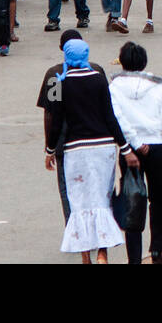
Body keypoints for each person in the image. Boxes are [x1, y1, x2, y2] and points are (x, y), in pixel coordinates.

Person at [43, 38, 138, 264]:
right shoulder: (98, 78)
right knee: (102, 201)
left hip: (76, 151)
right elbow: (110, 116)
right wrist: (125, 148)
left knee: (79, 203)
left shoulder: (58, 81)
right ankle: (103, 253)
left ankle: (86, 256)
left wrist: (49, 150)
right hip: (104, 149)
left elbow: (55, 120)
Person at [110, 42, 162, 265]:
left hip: (130, 151)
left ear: (122, 62)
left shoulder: (114, 87)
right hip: (157, 148)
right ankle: (156, 252)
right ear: (144, 62)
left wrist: (134, 141)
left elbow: (117, 119)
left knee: (132, 201)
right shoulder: (158, 86)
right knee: (158, 200)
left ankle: (134, 258)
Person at [36, 30, 105, 222]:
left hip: (66, 141)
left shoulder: (55, 75)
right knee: (94, 185)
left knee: (68, 188)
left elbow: (50, 113)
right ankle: (97, 226)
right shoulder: (97, 71)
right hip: (97, 138)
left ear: (61, 49)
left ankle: (74, 227)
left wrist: (49, 146)